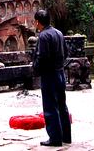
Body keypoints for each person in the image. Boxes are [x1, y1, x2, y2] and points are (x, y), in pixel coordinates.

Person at [32, 9, 72, 146]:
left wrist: (36, 68)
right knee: (62, 105)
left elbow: (42, 57)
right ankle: (66, 136)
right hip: (60, 72)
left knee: (50, 106)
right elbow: (66, 52)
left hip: (49, 74)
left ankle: (55, 138)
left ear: (38, 22)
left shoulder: (43, 36)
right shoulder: (59, 33)